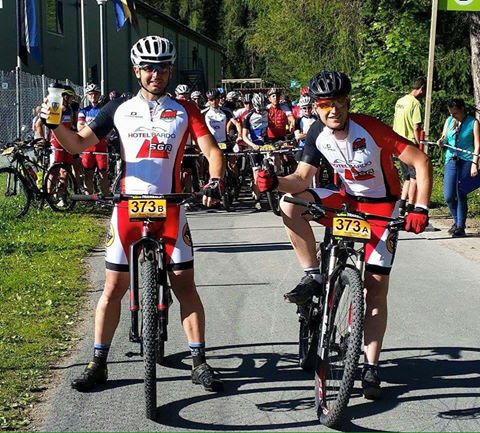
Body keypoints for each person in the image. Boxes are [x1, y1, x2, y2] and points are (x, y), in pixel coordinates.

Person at [40, 35, 225, 392]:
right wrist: (53, 125)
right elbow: (78, 144)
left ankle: (199, 359)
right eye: (150, 68)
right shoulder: (118, 109)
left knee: (185, 285)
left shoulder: (185, 109)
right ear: (137, 70)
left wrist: (215, 180)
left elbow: (210, 150)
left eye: (163, 68)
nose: (157, 74)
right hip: (127, 207)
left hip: (170, 207)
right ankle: (99, 361)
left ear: (170, 70)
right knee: (113, 287)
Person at [256, 71, 432, 400]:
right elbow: (302, 178)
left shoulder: (372, 129)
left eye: (338, 103)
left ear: (348, 102)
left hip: (381, 210)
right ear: (316, 107)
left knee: (375, 292)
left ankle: (370, 365)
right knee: (289, 204)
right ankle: (313, 275)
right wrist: (276, 182)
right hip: (347, 204)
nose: (332, 110)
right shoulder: (317, 133)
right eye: (325, 104)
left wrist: (420, 208)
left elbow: (420, 161)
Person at [437, 98, 480, 237]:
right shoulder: (449, 121)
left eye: (455, 113)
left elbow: (477, 145)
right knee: (449, 195)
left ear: (462, 110)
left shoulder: (473, 123)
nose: (452, 115)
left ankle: (460, 226)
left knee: (461, 192)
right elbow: (444, 136)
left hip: (466, 160)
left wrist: (475, 163)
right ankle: (456, 221)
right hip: (451, 159)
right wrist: (441, 141)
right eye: (450, 113)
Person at [393, 77, 426, 215]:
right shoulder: (415, 104)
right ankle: (410, 206)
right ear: (422, 88)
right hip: (409, 144)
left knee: (406, 176)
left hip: (397, 143)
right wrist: (419, 143)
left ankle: (401, 204)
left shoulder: (400, 101)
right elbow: (416, 127)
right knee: (414, 177)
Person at [77, 83, 110, 195]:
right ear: (87, 95)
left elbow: (108, 127)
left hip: (101, 146)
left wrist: (89, 128)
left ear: (99, 95)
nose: (93, 96)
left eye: (95, 94)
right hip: (88, 146)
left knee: (103, 173)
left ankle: (106, 197)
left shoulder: (104, 110)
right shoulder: (84, 111)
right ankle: (89, 198)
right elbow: (80, 126)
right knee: (88, 173)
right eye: (91, 94)